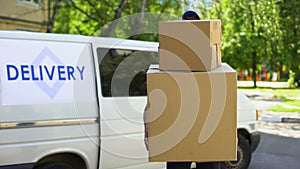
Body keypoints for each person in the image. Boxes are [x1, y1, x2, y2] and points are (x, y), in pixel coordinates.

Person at [144, 10, 221, 169]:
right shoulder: (170, 64)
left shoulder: (212, 66)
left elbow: (225, 103)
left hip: (207, 137)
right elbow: (153, 98)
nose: (190, 28)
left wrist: (229, 134)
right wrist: (147, 130)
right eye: (186, 24)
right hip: (177, 139)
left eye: (194, 24)